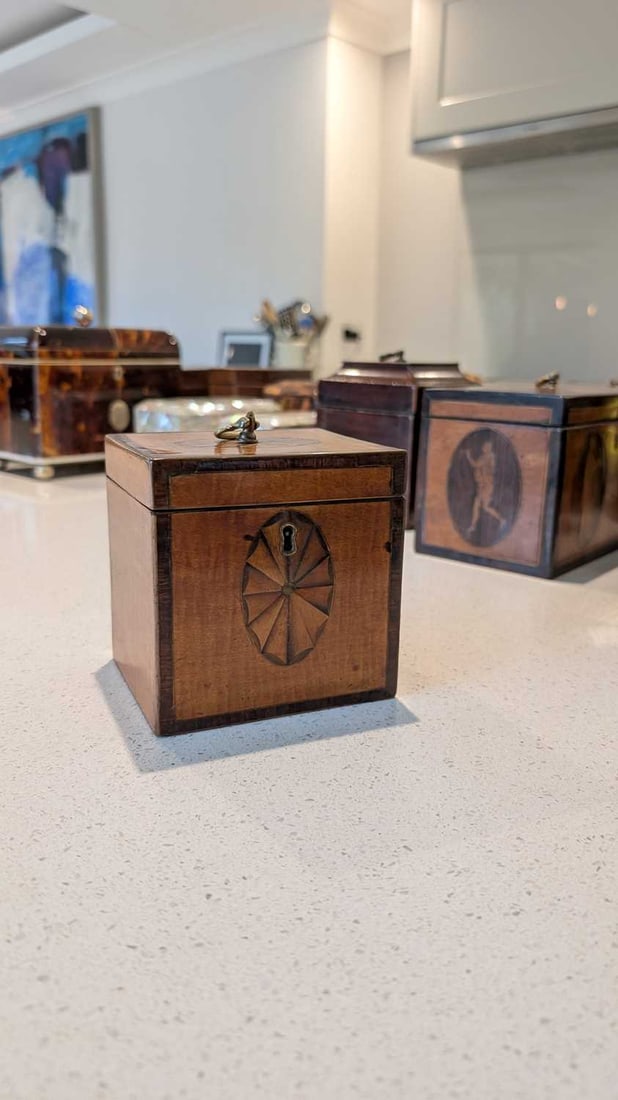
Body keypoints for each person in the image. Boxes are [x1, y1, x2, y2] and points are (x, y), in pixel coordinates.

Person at [464, 440, 506, 535]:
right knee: (478, 505)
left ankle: (501, 520)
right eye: (483, 446)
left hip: (486, 485)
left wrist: (468, 456)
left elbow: (475, 465)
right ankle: (473, 526)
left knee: (483, 506)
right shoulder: (487, 456)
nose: (483, 448)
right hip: (483, 485)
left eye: (485, 446)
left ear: (488, 448)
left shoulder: (488, 457)